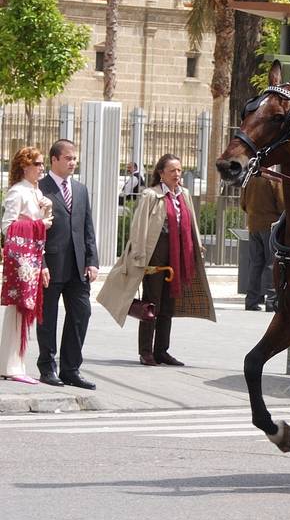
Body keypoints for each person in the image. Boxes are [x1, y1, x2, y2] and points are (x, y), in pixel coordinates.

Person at [97, 154, 216, 366]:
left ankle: (162, 350)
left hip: (177, 254)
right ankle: (146, 352)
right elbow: (139, 227)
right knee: (152, 305)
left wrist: (196, 245)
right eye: (172, 171)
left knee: (168, 306)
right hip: (155, 254)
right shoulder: (151, 195)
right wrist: (139, 255)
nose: (177, 175)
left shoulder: (184, 194)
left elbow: (191, 223)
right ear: (161, 173)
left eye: (179, 170)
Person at [36, 139, 98, 389]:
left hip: (77, 267)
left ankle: (71, 369)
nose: (73, 162)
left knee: (82, 313)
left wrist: (92, 261)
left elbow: (87, 228)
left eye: (75, 158)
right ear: (54, 160)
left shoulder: (80, 190)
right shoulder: (39, 188)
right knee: (48, 318)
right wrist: (40, 264)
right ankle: (47, 368)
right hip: (50, 265)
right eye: (68, 158)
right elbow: (34, 232)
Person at [1, 148, 53, 384]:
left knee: (22, 312)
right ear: (25, 166)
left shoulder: (34, 191)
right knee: (16, 311)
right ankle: (11, 366)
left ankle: (14, 363)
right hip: (20, 261)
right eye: (38, 164)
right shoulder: (17, 192)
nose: (42, 168)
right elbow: (8, 227)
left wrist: (42, 264)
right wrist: (39, 224)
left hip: (32, 259)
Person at [240, 173, 284, 312]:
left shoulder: (249, 178)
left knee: (255, 264)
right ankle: (271, 300)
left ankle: (251, 300)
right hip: (270, 225)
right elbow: (282, 205)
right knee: (271, 263)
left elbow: (243, 204)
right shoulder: (273, 179)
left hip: (253, 225)